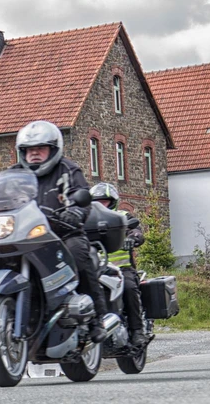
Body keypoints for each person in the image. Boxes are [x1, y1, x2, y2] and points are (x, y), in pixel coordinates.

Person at [11, 121, 106, 343]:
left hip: (63, 233)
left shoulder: (67, 170)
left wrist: (75, 211)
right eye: (28, 150)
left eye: (40, 149)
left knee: (79, 256)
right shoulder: (13, 174)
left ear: (53, 149)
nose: (34, 154)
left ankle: (96, 319)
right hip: (25, 236)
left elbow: (81, 195)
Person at [90, 182, 148, 347]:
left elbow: (136, 231)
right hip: (97, 269)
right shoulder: (88, 219)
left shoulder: (122, 216)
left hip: (122, 269)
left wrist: (133, 238)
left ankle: (138, 331)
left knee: (129, 288)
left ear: (112, 201)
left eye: (104, 201)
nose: (101, 205)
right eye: (97, 201)